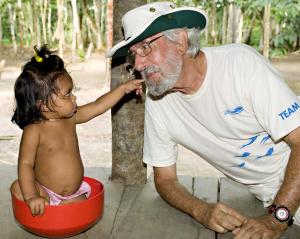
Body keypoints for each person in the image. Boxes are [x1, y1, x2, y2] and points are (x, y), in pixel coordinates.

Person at [106, 2, 300, 239]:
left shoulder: (240, 65)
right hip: (269, 194)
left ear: (180, 41)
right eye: (133, 54)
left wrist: (276, 218)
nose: (138, 65)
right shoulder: (158, 103)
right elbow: (165, 179)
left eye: (145, 48)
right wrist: (201, 210)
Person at [10, 45, 143, 216]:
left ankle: (55, 208)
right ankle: (43, 202)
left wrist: (123, 89)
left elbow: (99, 105)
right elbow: (25, 164)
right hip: (43, 190)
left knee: (81, 208)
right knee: (17, 187)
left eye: (72, 92)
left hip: (73, 194)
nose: (74, 98)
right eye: (67, 94)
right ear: (42, 105)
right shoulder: (34, 131)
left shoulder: (71, 117)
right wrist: (31, 196)